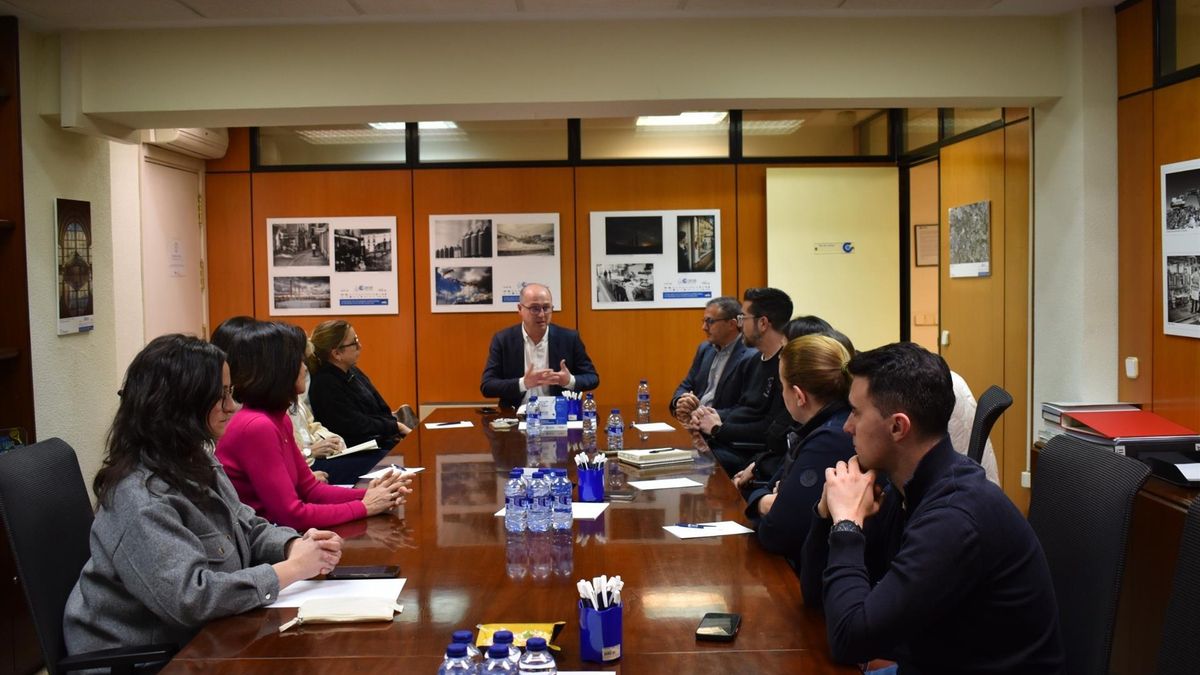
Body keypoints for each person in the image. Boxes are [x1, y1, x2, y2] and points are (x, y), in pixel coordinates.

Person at [63, 334, 344, 655]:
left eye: (230, 392)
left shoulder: (197, 458)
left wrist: (295, 546)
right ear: (182, 403)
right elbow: (189, 599)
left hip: (205, 638)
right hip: (149, 657)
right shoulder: (138, 496)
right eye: (219, 396)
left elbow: (247, 526)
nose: (231, 406)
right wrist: (292, 569)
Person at [799, 342, 1063, 674]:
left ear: (898, 427)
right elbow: (816, 599)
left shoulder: (955, 517)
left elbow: (850, 639)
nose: (846, 427)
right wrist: (827, 516)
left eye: (855, 412)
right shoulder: (903, 487)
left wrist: (847, 526)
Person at [217, 321, 411, 529]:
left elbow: (311, 490)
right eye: (299, 361)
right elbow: (292, 515)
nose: (304, 368)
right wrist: (365, 506)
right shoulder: (257, 426)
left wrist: (371, 495)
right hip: (266, 541)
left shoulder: (277, 417)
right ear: (279, 369)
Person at [735, 334, 855, 575]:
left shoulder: (829, 439)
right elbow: (772, 488)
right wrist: (768, 498)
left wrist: (760, 501)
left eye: (782, 385)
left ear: (799, 396)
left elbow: (777, 533)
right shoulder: (822, 427)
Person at [688, 287, 793, 477]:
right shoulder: (754, 360)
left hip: (752, 454)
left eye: (743, 319)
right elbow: (743, 408)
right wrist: (712, 414)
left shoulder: (786, 367)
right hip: (730, 442)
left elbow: (769, 429)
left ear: (762, 323)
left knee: (691, 465)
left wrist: (718, 429)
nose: (739, 325)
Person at [307, 319, 417, 482]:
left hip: (378, 440)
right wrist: (395, 426)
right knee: (399, 464)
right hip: (357, 448)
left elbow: (380, 407)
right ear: (337, 353)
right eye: (355, 342)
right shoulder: (324, 384)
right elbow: (354, 425)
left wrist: (393, 427)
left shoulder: (352, 370)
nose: (360, 346)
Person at [480, 283, 599, 409]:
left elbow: (592, 378)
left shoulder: (569, 338)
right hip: (516, 417)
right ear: (520, 309)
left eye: (546, 308)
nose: (542, 314)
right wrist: (523, 383)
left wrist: (569, 381)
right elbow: (487, 386)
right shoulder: (503, 340)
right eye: (535, 308)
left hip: (559, 416)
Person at [669, 296, 755, 425]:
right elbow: (686, 384)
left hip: (722, 429)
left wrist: (706, 415)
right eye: (704, 321)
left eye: (710, 321)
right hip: (694, 423)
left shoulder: (751, 355)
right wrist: (680, 400)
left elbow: (746, 408)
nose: (704, 327)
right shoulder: (705, 348)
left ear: (731, 324)